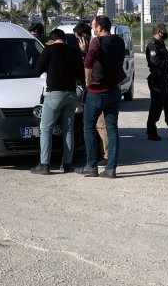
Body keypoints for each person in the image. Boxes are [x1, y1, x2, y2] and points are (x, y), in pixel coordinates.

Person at [78, 15, 125, 179]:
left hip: (97, 93)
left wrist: (87, 81)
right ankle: (111, 168)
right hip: (114, 91)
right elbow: (107, 59)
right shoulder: (119, 41)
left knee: (88, 127)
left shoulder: (96, 41)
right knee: (112, 129)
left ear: (99, 28)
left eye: (93, 26)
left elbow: (89, 62)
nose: (92, 29)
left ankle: (91, 166)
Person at [32, 28, 84, 175]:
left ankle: (44, 164)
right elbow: (80, 74)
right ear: (64, 39)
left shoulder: (49, 50)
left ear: (52, 39)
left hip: (54, 94)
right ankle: (67, 164)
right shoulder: (73, 51)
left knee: (46, 129)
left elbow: (37, 69)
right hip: (71, 95)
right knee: (68, 130)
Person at [73, 22, 109, 163]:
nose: (78, 42)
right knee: (88, 125)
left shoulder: (94, 47)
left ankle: (105, 156)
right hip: (86, 92)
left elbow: (92, 67)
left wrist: (85, 52)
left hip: (96, 90)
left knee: (101, 125)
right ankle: (94, 154)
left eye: (78, 38)